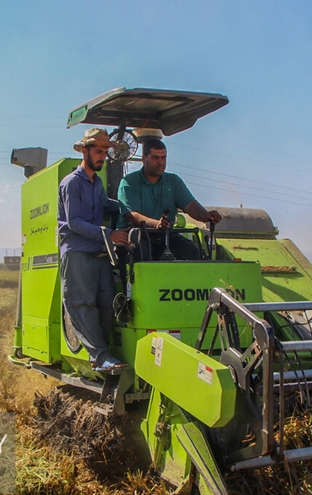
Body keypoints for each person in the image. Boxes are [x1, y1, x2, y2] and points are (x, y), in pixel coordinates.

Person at [58, 128, 133, 371]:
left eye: (105, 152)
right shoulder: (71, 184)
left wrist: (128, 208)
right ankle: (100, 356)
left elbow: (105, 205)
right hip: (77, 251)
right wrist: (109, 234)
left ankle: (101, 353)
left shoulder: (97, 183)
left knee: (107, 302)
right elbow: (75, 223)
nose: (102, 157)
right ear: (84, 151)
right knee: (82, 303)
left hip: (99, 250)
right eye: (98, 151)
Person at [117, 139, 222, 260]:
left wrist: (205, 215)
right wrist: (157, 224)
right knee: (139, 252)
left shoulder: (173, 181)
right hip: (138, 235)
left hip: (165, 236)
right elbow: (133, 215)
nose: (161, 162)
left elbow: (190, 205)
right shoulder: (129, 182)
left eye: (163, 157)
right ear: (144, 158)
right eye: (155, 158)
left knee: (191, 251)